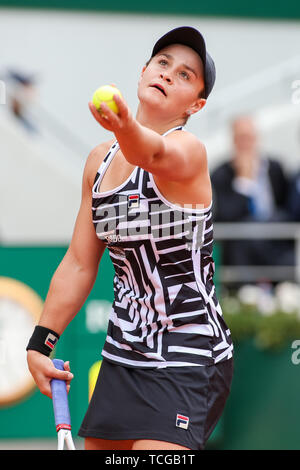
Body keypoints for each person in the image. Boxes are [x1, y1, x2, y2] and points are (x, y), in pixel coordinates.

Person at [26, 26, 233, 451]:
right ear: (142, 73)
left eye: (185, 74)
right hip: (123, 356)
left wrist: (123, 124)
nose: (169, 74)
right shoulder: (98, 162)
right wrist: (40, 343)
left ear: (196, 104)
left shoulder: (189, 151)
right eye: (162, 64)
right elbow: (80, 264)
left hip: (190, 355)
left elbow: (150, 154)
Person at [211, 115, 293, 267]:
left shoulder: (274, 168)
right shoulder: (221, 174)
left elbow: (286, 206)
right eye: (241, 138)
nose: (246, 143)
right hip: (243, 245)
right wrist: (244, 182)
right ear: (233, 140)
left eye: (249, 137)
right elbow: (226, 216)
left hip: (275, 239)